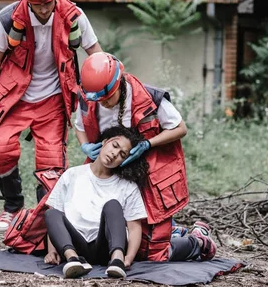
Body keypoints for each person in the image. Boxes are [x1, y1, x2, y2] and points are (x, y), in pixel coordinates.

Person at [0, 0, 102, 231]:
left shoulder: (74, 17)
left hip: (54, 98)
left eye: (48, 2)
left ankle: (42, 216)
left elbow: (98, 56)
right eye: (37, 4)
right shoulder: (8, 19)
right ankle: (12, 207)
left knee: (51, 164)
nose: (44, 9)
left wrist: (108, 93)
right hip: (14, 97)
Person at [44, 126, 217, 279]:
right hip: (75, 245)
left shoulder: (127, 186)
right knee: (51, 213)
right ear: (105, 142)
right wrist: (52, 251)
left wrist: (128, 258)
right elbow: (55, 219)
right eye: (115, 145)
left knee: (112, 205)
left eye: (122, 154)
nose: (114, 154)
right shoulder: (72, 174)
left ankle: (116, 261)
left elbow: (134, 228)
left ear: (125, 160)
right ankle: (72, 261)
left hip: (105, 247)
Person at [75, 52, 198, 262]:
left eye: (107, 98)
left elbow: (180, 128)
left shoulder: (149, 97)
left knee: (152, 251)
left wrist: (148, 144)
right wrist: (85, 145)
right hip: (110, 175)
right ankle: (171, 231)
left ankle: (198, 241)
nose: (103, 104)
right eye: (99, 100)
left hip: (147, 173)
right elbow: (79, 126)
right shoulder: (90, 98)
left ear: (118, 84)